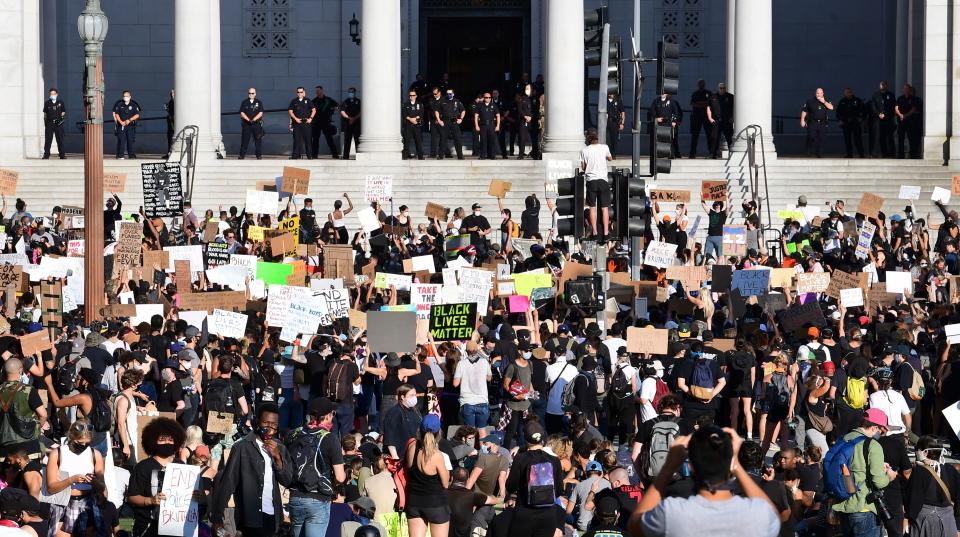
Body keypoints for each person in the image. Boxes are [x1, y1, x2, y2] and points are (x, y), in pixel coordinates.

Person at [628, 426, 781, 537]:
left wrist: (669, 466)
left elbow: (635, 525)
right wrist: (736, 465)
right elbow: (774, 515)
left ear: (691, 466)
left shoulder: (672, 513)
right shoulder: (756, 514)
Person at [211, 403, 293, 537]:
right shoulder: (242, 447)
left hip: (272, 516)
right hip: (249, 517)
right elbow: (227, 482)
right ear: (256, 422)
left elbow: (287, 480)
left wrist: (278, 458)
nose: (270, 428)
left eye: (274, 425)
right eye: (266, 423)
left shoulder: (280, 448)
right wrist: (217, 517)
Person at [285, 397, 347, 537]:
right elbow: (340, 477)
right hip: (318, 499)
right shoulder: (330, 438)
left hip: (295, 497)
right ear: (328, 416)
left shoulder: (293, 434)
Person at [830, 408, 896, 537]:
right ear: (874, 427)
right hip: (863, 507)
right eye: (882, 430)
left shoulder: (843, 439)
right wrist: (889, 476)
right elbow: (879, 481)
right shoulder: (873, 445)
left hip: (843, 506)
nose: (882, 434)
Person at [125, 417, 186, 537]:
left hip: (175, 527)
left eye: (170, 439)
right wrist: (150, 500)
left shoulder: (181, 465)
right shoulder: (143, 467)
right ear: (153, 441)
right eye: (162, 440)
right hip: (148, 527)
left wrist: (192, 496)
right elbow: (132, 497)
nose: (167, 443)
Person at [44, 420, 106, 537]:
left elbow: (102, 487)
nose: (83, 446)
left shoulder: (95, 454)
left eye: (87, 443)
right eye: (79, 442)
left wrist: (94, 482)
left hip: (87, 503)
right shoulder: (58, 454)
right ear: (71, 436)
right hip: (62, 504)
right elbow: (51, 488)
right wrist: (71, 480)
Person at [503, 421, 565, 537]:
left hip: (524, 513)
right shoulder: (554, 460)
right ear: (542, 438)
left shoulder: (520, 459)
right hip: (548, 514)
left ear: (525, 438)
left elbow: (511, 486)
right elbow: (559, 490)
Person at [405, 414, 450, 537]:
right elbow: (445, 483)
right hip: (436, 504)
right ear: (439, 432)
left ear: (419, 430)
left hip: (414, 502)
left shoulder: (412, 447)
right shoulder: (437, 455)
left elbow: (409, 470)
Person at [905, 436, 959, 537]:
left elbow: (914, 501)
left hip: (926, 522)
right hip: (948, 522)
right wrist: (958, 525)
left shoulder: (919, 472)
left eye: (917, 449)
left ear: (925, 452)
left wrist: (907, 518)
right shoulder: (950, 469)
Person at [0, 358, 45, 458]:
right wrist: (36, 429)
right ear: (20, 371)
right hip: (28, 446)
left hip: (4, 448)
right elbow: (43, 415)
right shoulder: (28, 390)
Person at [446, 466, 499, 537]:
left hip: (444, 532)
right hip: (464, 534)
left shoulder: (442, 493)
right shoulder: (472, 495)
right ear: (467, 480)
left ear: (452, 478)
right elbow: (494, 501)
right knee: (487, 507)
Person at [581, 130, 613, 242]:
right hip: (603, 181)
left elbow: (583, 167)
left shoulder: (585, 150)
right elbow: (610, 158)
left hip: (591, 181)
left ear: (588, 139)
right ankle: (605, 232)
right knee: (605, 208)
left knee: (592, 207)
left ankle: (594, 232)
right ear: (597, 138)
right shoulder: (604, 147)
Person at [800, 88, 833, 158]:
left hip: (822, 123)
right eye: (817, 93)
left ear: (823, 93)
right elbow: (804, 111)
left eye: (820, 93)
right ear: (815, 93)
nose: (818, 94)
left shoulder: (826, 100)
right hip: (812, 122)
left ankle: (819, 153)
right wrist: (802, 120)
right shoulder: (810, 101)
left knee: (822, 138)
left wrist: (824, 102)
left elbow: (831, 108)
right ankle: (808, 149)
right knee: (811, 136)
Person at [836, 87, 866, 158]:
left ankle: (861, 154)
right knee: (847, 140)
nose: (847, 94)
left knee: (857, 139)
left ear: (851, 92)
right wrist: (839, 120)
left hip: (855, 122)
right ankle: (849, 154)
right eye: (846, 93)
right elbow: (838, 112)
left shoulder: (857, 100)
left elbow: (864, 110)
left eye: (848, 92)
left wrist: (861, 118)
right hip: (845, 123)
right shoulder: (842, 101)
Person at [650, 93, 682, 158]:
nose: (662, 94)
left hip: (669, 124)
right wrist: (656, 119)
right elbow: (652, 112)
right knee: (660, 140)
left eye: (664, 92)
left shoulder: (672, 101)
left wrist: (674, 122)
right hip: (660, 124)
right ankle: (660, 154)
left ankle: (671, 154)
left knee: (670, 140)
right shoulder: (656, 101)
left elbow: (676, 112)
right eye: (661, 92)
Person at [706, 82, 734, 159]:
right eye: (721, 88)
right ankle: (713, 154)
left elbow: (735, 108)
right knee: (715, 138)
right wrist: (710, 118)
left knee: (729, 138)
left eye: (724, 88)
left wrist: (733, 117)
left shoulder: (730, 97)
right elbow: (708, 107)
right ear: (718, 89)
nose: (722, 89)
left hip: (727, 121)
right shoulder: (713, 97)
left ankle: (732, 154)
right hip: (716, 121)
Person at [311, 86, 340, 159]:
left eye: (318, 91)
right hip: (316, 122)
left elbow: (337, 106)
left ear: (322, 91)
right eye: (316, 91)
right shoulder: (314, 101)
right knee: (315, 139)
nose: (317, 92)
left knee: (329, 139)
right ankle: (314, 155)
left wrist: (333, 109)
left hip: (326, 122)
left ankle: (335, 155)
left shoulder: (328, 100)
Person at [111, 90, 141, 160]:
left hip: (130, 126)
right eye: (124, 96)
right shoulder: (119, 104)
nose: (125, 97)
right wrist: (120, 122)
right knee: (121, 140)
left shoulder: (133, 105)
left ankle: (131, 155)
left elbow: (137, 115)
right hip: (121, 125)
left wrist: (129, 120)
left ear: (130, 97)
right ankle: (120, 155)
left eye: (127, 96)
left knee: (130, 140)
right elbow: (116, 114)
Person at [436, 89, 465, 160]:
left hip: (454, 122)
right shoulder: (442, 101)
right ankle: (440, 156)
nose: (449, 95)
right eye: (447, 93)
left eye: (450, 93)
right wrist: (439, 120)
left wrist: (461, 119)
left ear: (453, 94)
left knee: (458, 139)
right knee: (443, 139)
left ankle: (460, 156)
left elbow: (463, 110)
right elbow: (437, 111)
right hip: (445, 122)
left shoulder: (457, 101)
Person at [869, 80, 896, 157]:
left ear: (886, 86)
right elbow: (873, 106)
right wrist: (878, 114)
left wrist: (888, 115)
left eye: (884, 84)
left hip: (888, 119)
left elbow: (893, 106)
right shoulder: (875, 95)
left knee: (889, 136)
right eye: (881, 84)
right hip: (878, 119)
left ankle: (891, 153)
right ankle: (875, 153)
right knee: (877, 136)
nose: (883, 86)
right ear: (879, 85)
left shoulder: (891, 95)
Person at [895, 84, 922, 159]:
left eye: (907, 89)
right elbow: (896, 108)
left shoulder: (913, 99)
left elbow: (913, 109)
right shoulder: (900, 98)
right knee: (901, 138)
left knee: (911, 139)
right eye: (904, 89)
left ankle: (913, 154)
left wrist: (904, 116)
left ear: (909, 90)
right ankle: (901, 155)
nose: (905, 90)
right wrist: (900, 115)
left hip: (910, 122)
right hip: (901, 122)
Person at [288, 87, 316, 159]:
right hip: (297, 123)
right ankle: (295, 155)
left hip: (306, 123)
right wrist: (294, 120)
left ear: (304, 92)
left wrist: (311, 118)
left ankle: (309, 156)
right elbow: (290, 112)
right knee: (296, 140)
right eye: (298, 92)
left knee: (308, 140)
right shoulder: (294, 101)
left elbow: (314, 110)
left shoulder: (308, 100)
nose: (299, 93)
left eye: (301, 92)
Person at [239, 87, 265, 160]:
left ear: (255, 94)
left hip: (256, 124)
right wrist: (248, 120)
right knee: (245, 140)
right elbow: (242, 113)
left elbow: (261, 113)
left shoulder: (259, 102)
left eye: (252, 93)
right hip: (247, 124)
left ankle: (258, 155)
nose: (251, 94)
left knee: (258, 141)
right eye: (249, 93)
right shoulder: (244, 102)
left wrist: (253, 120)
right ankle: (242, 155)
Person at [688, 80, 711, 159]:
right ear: (698, 85)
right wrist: (703, 104)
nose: (701, 85)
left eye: (702, 83)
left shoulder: (708, 93)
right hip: (696, 117)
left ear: (704, 84)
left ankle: (711, 152)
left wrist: (700, 104)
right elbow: (693, 104)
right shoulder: (695, 93)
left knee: (709, 135)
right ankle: (692, 154)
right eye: (700, 84)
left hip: (706, 117)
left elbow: (709, 103)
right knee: (695, 136)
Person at [474, 92, 500, 160]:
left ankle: (492, 155)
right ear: (484, 98)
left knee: (492, 140)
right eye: (486, 97)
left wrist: (497, 125)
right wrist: (476, 125)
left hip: (491, 125)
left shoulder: (494, 105)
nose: (488, 99)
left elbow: (498, 115)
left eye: (489, 97)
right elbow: (476, 116)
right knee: (483, 140)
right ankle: (482, 155)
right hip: (483, 125)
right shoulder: (480, 105)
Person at [42, 88, 65, 160]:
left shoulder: (60, 102)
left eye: (54, 94)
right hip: (49, 123)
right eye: (51, 94)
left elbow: (63, 112)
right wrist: (46, 123)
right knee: (48, 140)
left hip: (58, 123)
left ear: (56, 94)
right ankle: (46, 155)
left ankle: (62, 154)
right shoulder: (47, 103)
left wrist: (61, 119)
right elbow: (45, 114)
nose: (52, 95)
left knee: (60, 139)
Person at [403, 90, 426, 160]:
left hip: (417, 125)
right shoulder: (406, 104)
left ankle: (420, 156)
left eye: (413, 95)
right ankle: (405, 156)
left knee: (418, 141)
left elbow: (421, 114)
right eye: (410, 95)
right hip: (408, 125)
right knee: (407, 141)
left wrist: (415, 119)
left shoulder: (420, 104)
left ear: (416, 96)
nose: (411, 97)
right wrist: (410, 119)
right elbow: (404, 114)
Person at [341, 87, 362, 160]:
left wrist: (354, 118)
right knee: (347, 141)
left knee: (357, 141)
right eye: (349, 92)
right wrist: (349, 118)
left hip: (356, 124)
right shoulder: (345, 102)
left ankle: (359, 156)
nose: (351, 93)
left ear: (355, 93)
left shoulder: (358, 101)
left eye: (352, 92)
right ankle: (346, 156)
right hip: (348, 124)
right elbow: (342, 112)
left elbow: (361, 112)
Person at [606, 91, 626, 158]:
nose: (611, 94)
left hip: (615, 122)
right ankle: (608, 155)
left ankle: (613, 154)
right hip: (606, 122)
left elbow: (622, 112)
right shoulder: (604, 101)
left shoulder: (618, 101)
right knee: (607, 139)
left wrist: (622, 123)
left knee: (614, 139)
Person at [516, 85, 534, 159]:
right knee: (522, 138)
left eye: (528, 88)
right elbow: (520, 110)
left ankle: (535, 153)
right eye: (526, 88)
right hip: (523, 121)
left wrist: (531, 117)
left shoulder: (534, 99)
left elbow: (535, 109)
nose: (527, 90)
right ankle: (521, 154)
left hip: (532, 121)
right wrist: (525, 116)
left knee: (534, 138)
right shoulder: (522, 99)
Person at [164, 89, 175, 157]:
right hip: (171, 122)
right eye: (171, 93)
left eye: (173, 92)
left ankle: (170, 152)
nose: (172, 94)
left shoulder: (175, 101)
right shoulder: (171, 101)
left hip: (173, 123)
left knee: (171, 137)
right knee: (169, 137)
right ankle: (169, 152)